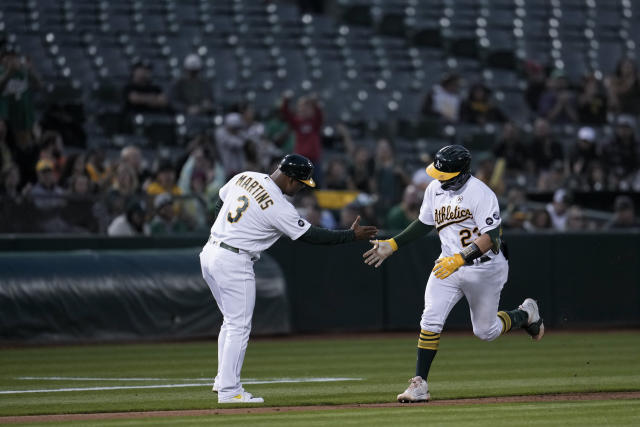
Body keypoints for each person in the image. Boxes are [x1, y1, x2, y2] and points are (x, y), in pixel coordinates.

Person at [362, 145, 543, 403]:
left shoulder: (480, 193)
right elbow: (424, 223)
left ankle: (525, 314)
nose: (438, 178)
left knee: (485, 331)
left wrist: (460, 258)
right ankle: (419, 383)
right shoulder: (435, 188)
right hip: (447, 264)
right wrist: (393, 244)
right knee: (430, 319)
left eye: (444, 174)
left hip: (485, 267)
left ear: (461, 173)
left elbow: (491, 238)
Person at [202, 154, 377, 403]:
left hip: (210, 252)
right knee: (239, 326)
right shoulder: (277, 205)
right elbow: (311, 236)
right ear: (290, 178)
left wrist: (224, 230)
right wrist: (350, 236)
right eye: (301, 183)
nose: (301, 188)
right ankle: (230, 391)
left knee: (230, 323)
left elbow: (221, 202)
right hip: (234, 259)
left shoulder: (246, 176)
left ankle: (223, 381)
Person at [0, 47, 42, 149]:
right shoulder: (2, 71)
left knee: (28, 141)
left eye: (13, 58)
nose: (11, 61)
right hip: (5, 115)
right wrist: (9, 72)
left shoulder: (23, 71)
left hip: (24, 114)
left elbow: (39, 86)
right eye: (8, 58)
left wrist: (31, 70)